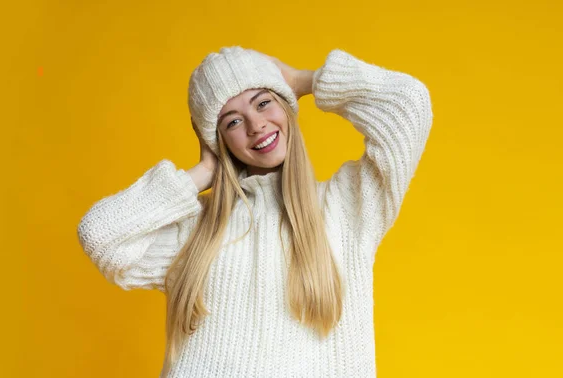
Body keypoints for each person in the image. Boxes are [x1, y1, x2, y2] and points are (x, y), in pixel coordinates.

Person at [76, 46, 433, 377]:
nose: (256, 125)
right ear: (218, 141)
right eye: (232, 121)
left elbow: (407, 104)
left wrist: (303, 81)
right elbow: (101, 235)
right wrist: (202, 173)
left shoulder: (347, 207)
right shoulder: (195, 230)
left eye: (263, 103)